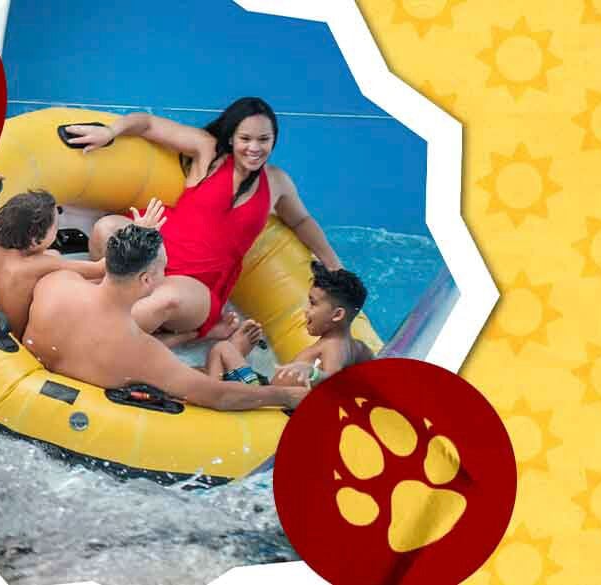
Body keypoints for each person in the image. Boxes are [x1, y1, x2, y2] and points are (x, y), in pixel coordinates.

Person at [66, 97, 342, 341]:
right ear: (231, 138)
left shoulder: (277, 182)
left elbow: (301, 221)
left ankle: (97, 335)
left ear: (274, 140)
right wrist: (110, 132)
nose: (254, 148)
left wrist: (333, 264)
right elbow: (147, 124)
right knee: (105, 228)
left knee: (165, 299)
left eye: (264, 139)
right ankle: (118, 308)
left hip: (197, 284)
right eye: (245, 139)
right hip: (159, 249)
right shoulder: (209, 153)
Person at [23, 224, 309, 411]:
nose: (166, 276)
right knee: (202, 373)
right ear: (147, 279)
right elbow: (217, 396)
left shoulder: (56, 283)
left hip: (33, 393)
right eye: (164, 270)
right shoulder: (141, 352)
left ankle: (207, 342)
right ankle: (229, 349)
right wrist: (284, 396)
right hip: (105, 405)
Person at [0, 166, 113, 339]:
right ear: (36, 241)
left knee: (53, 255)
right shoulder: (38, 265)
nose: (56, 230)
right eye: (55, 227)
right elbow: (100, 269)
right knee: (66, 267)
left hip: (2, 324)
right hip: (23, 337)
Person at [220, 261, 374, 389]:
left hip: (265, 398)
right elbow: (371, 365)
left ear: (337, 315)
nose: (306, 310)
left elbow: (331, 380)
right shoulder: (358, 347)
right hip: (270, 390)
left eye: (313, 303)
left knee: (223, 350)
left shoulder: (333, 346)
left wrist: (311, 372)